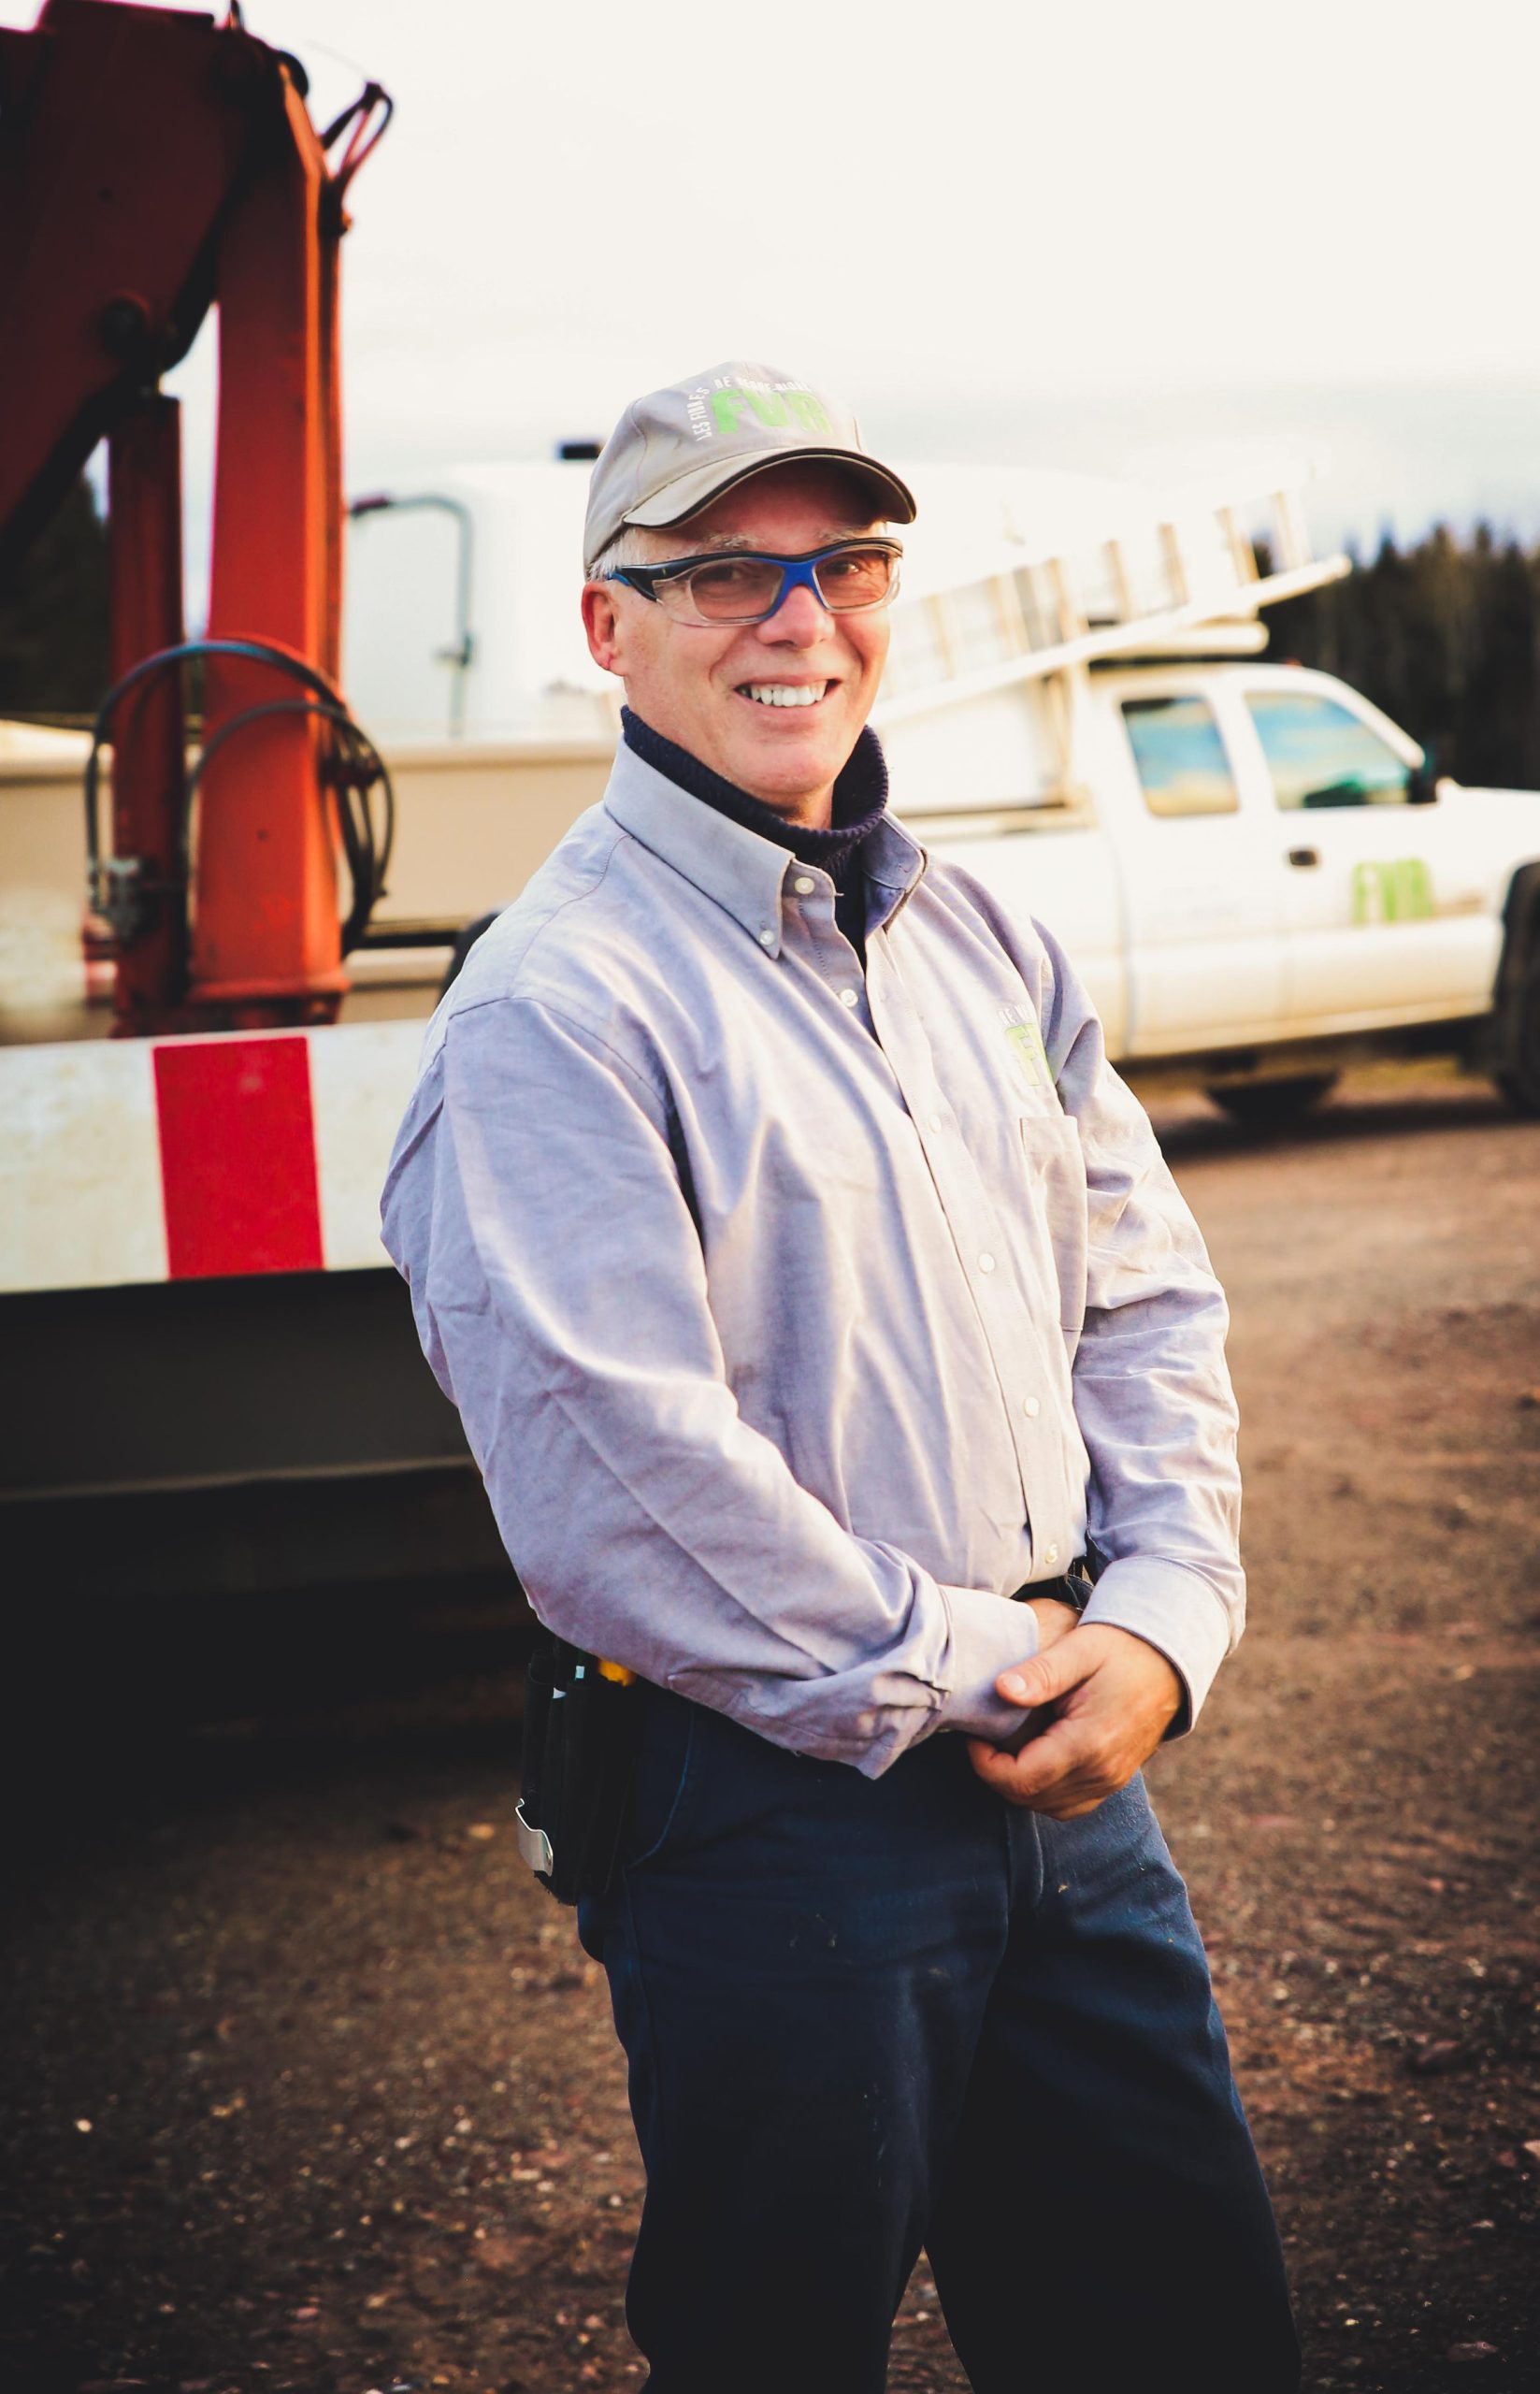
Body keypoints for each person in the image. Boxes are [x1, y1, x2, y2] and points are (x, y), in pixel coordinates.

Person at [381, 361, 1301, 2394]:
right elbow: (624, 1486)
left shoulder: (988, 943)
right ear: (607, 623)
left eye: (845, 563)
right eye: (726, 570)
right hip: (769, 1814)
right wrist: (994, 1656)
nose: (797, 618)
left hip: (1071, 1770)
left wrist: (1161, 1619)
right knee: (776, 2346)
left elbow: (1143, 1301)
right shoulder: (557, 1007)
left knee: (1174, 2327)